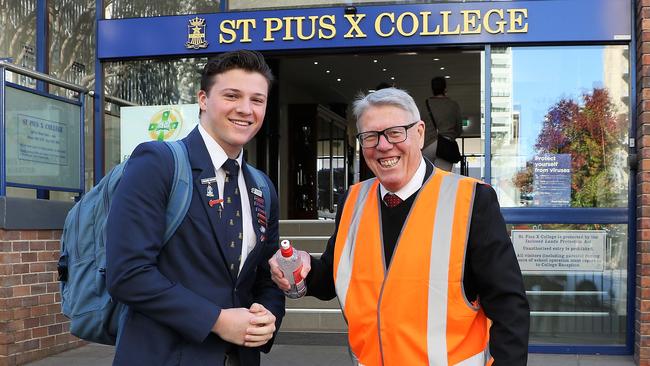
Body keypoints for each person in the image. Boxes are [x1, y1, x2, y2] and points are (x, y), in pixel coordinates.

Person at [270, 88, 529, 365]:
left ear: (419, 133)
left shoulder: (472, 200)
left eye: (395, 132)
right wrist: (302, 267)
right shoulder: (353, 200)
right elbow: (333, 277)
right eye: (370, 136)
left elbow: (508, 307)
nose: (383, 146)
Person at [106, 50, 285, 366]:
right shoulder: (158, 163)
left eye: (257, 100)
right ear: (203, 99)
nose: (246, 109)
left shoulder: (262, 187)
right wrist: (216, 320)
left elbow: (267, 277)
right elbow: (128, 274)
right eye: (232, 95)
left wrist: (267, 316)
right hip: (164, 356)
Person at [422, 76, 463, 171]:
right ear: (445, 88)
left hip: (427, 145)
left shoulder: (425, 104)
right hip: (446, 145)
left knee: (427, 177)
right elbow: (459, 129)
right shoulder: (453, 105)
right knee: (442, 178)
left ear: (432, 89)